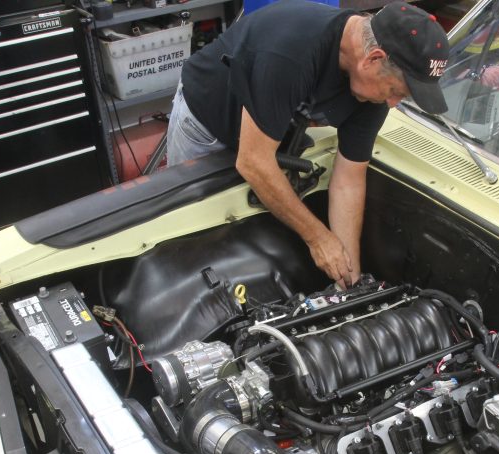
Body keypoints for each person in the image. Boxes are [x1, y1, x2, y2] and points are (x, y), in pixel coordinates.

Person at [166, 0, 450, 287]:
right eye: (394, 91)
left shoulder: (374, 94)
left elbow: (348, 180)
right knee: (191, 244)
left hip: (268, 133)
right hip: (207, 124)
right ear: (373, 59)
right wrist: (318, 238)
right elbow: (252, 162)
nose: (392, 103)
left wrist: (349, 279)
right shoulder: (293, 51)